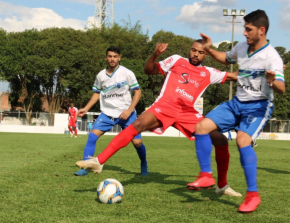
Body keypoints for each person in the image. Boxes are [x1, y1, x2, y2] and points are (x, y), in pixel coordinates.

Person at [75, 40, 242, 196]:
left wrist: (253, 65)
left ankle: (222, 185)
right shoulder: (176, 60)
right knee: (138, 123)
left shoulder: (209, 72)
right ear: (189, 50)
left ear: (206, 55)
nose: (196, 54)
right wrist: (155, 54)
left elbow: (235, 76)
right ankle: (99, 160)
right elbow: (148, 70)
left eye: (200, 52)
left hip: (187, 113)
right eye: (193, 50)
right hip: (164, 107)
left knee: (220, 139)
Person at [189, 10, 286, 213]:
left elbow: (282, 88)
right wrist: (209, 49)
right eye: (244, 28)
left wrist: (272, 81)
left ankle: (253, 195)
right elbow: (226, 59)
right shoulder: (242, 47)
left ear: (261, 30)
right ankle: (206, 175)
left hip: (258, 106)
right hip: (236, 103)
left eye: (248, 29)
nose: (244, 33)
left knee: (243, 140)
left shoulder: (272, 57)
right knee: (201, 127)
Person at [74, 46, 149, 177]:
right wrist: (86, 108)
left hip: (127, 114)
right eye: (110, 56)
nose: (112, 59)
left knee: (138, 143)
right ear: (106, 58)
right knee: (92, 136)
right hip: (108, 113)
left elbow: (138, 92)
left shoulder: (127, 73)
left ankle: (143, 163)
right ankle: (85, 167)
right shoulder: (101, 75)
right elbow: (96, 94)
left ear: (119, 58)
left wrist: (129, 110)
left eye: (115, 56)